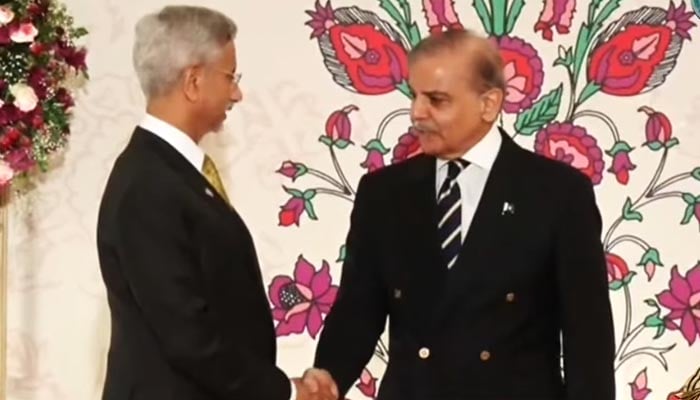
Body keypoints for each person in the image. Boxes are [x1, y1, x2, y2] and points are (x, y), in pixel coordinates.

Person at [306, 29, 616, 400]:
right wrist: (325, 381)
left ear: (489, 104)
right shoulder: (383, 193)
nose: (417, 113)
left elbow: (588, 338)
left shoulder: (558, 193)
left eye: (436, 100)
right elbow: (357, 312)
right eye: (415, 96)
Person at [96, 6, 336, 400]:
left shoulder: (171, 174)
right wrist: (286, 392)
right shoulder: (150, 185)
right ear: (193, 81)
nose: (237, 93)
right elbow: (187, 335)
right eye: (230, 77)